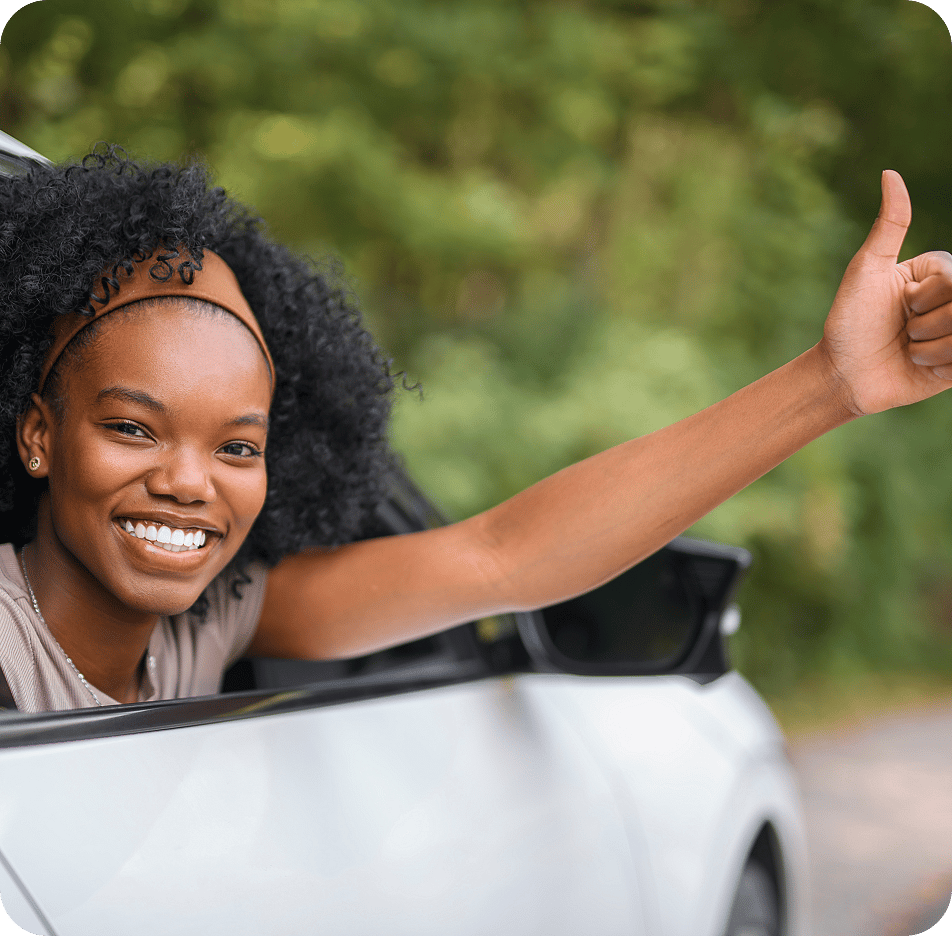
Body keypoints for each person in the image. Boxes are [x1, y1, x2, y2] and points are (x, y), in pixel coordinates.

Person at [1, 146, 951, 712]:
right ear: (38, 433)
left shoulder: (211, 621)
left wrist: (833, 384)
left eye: (238, 446)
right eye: (133, 429)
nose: (189, 482)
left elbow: (503, 556)